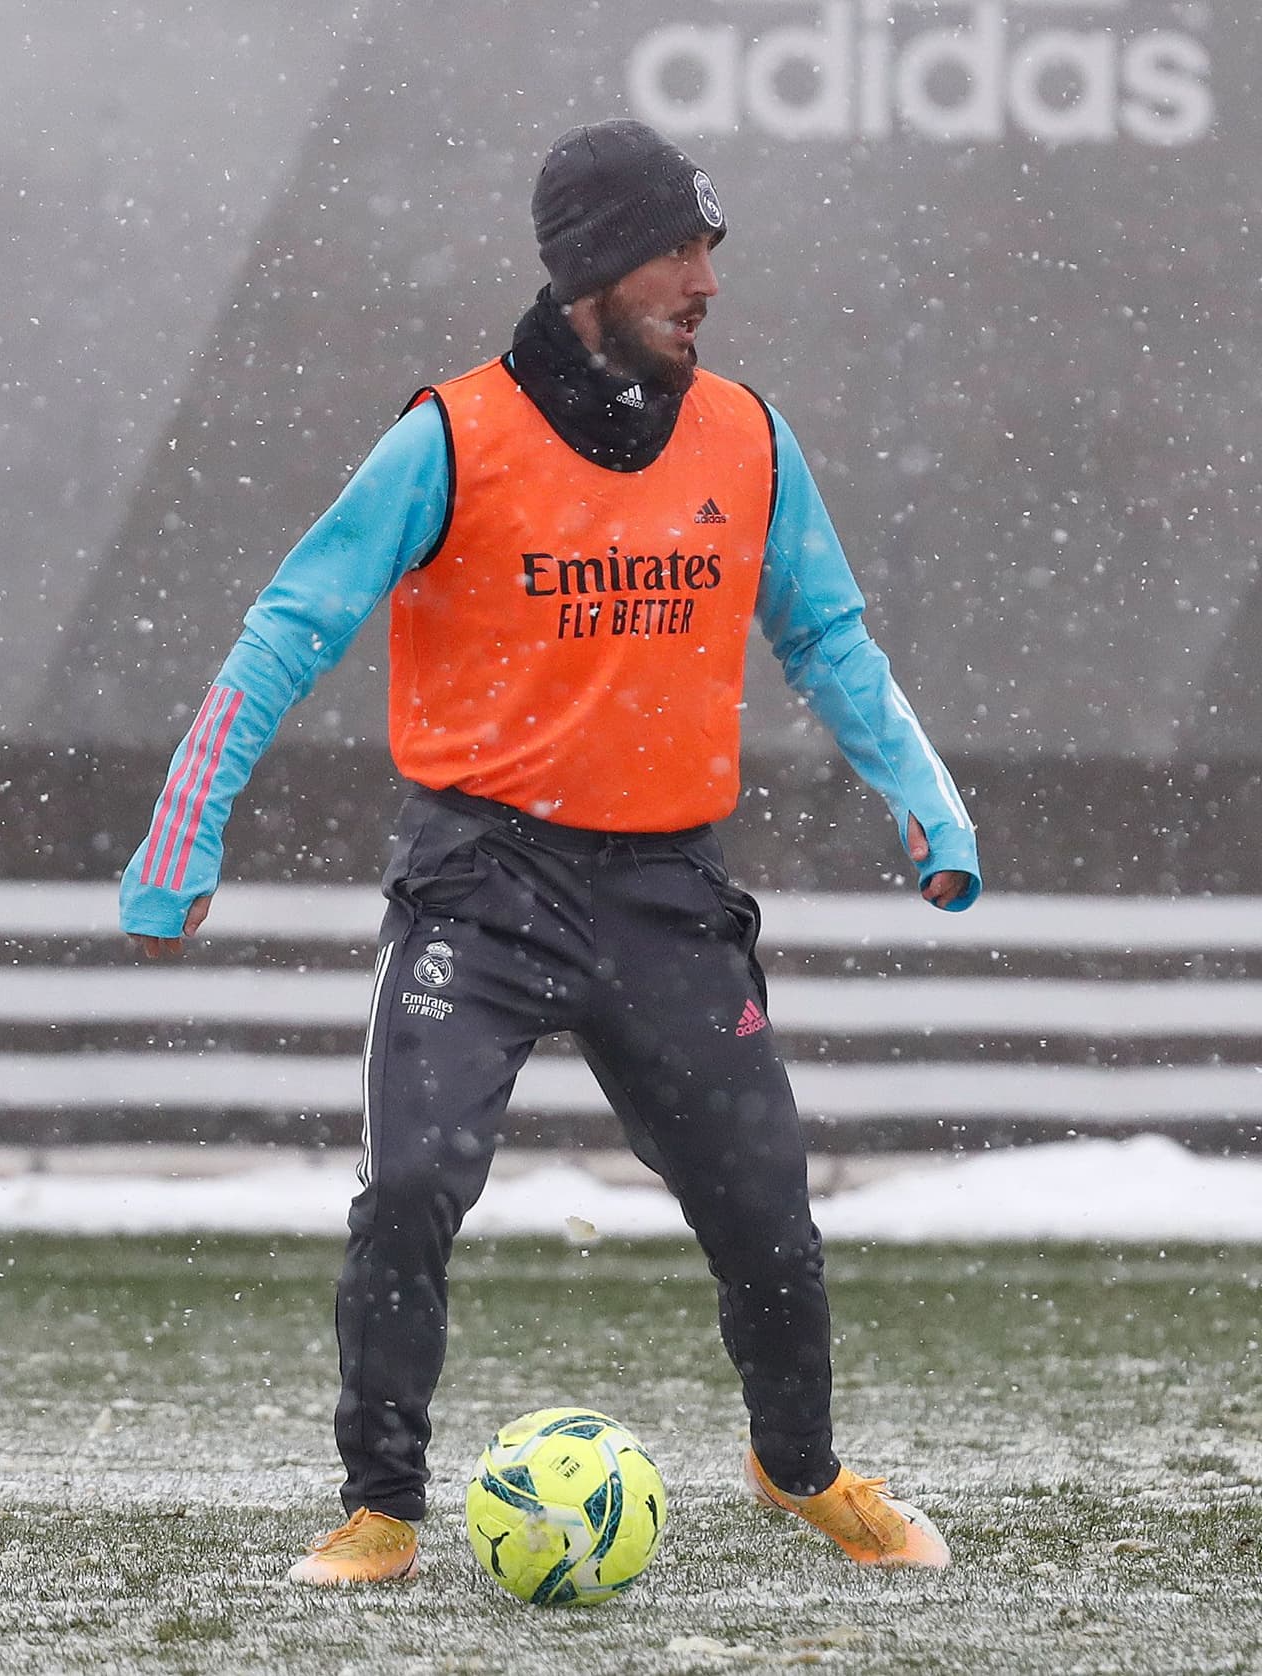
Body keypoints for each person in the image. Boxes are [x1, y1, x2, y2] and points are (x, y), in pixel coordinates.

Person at [121, 119, 981, 1586]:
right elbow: (293, 621)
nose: (708, 280)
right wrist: (183, 831)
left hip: (668, 893)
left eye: (714, 249)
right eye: (679, 249)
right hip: (481, 878)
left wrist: (930, 805)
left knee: (769, 1206)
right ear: (592, 266)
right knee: (410, 1190)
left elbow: (827, 635)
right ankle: (383, 1509)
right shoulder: (450, 435)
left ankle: (799, 1468)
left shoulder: (747, 437)